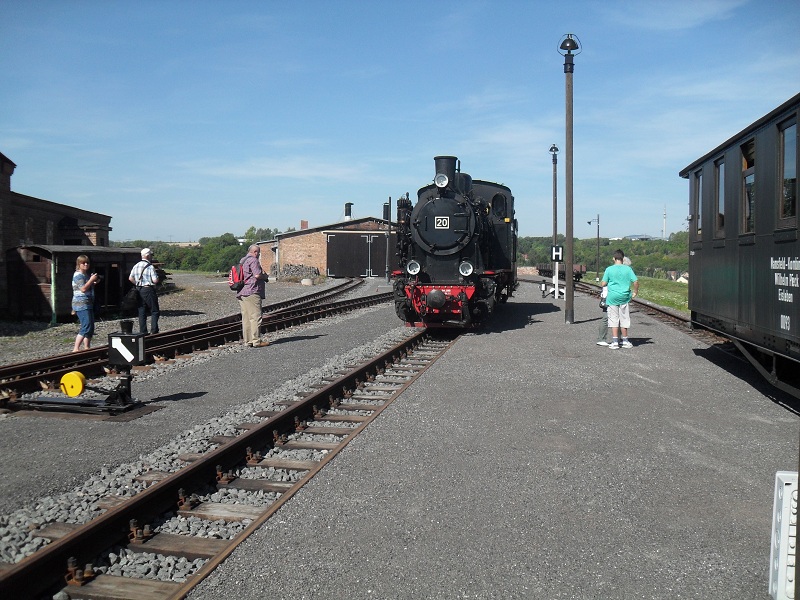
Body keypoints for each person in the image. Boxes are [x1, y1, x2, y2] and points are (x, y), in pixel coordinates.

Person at [600, 249, 639, 349]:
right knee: (624, 318)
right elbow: (635, 282)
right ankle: (625, 341)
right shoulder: (628, 269)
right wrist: (635, 292)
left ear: (614, 258)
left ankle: (615, 342)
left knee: (614, 319)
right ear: (623, 258)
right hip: (625, 297)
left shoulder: (609, 269)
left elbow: (603, 283)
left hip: (612, 297)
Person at [237, 244, 270, 347]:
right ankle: (256, 341)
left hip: (242, 291)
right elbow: (257, 275)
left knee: (246, 318)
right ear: (255, 252)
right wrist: (265, 276)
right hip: (252, 291)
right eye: (258, 253)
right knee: (255, 317)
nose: (258, 255)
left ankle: (248, 341)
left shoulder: (243, 260)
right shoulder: (253, 260)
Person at [128, 248, 161, 335]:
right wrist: (157, 278)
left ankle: (143, 331)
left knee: (141, 310)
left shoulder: (136, 265)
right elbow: (155, 280)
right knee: (154, 310)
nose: (151, 257)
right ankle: (154, 330)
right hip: (148, 289)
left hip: (139, 290)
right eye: (150, 255)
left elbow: (130, 278)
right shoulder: (150, 266)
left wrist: (138, 284)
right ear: (147, 256)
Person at [72, 255, 100, 352]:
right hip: (81, 304)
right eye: (83, 263)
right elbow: (83, 289)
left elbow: (87, 286)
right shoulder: (78, 275)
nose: (86, 264)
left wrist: (93, 282)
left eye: (87, 262)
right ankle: (76, 349)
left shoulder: (85, 275)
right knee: (86, 326)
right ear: (79, 264)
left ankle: (87, 348)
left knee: (91, 327)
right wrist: (92, 280)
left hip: (88, 303)